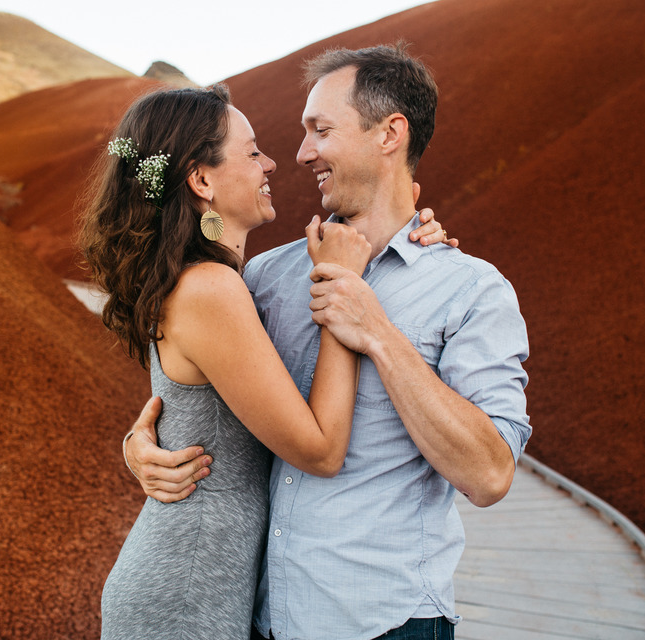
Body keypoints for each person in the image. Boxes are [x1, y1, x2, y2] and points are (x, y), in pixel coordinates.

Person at [123, 44, 531, 640]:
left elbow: (490, 476)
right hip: (260, 617)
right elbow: (202, 388)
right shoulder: (264, 278)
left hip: (383, 622)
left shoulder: (469, 290)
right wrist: (140, 446)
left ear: (390, 133)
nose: (300, 153)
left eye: (321, 130)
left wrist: (379, 334)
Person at [80, 83, 451, 640]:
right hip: (186, 594)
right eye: (252, 152)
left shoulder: (216, 282)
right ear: (201, 181)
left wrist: (407, 234)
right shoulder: (209, 289)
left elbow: (195, 410)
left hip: (213, 585)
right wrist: (339, 284)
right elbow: (321, 450)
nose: (272, 163)